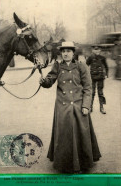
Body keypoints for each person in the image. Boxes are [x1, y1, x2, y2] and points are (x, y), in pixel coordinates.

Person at [39, 41, 101, 173]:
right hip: (62, 106)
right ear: (61, 53)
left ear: (73, 53)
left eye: (68, 51)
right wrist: (44, 81)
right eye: (63, 51)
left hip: (79, 105)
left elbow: (88, 87)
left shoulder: (81, 66)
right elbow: (50, 80)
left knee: (81, 133)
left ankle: (83, 163)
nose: (65, 53)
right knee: (64, 134)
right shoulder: (57, 66)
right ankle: (64, 163)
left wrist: (86, 105)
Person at [86, 45, 109, 114]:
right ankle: (90, 107)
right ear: (93, 50)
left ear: (100, 50)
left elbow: (106, 66)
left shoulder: (103, 58)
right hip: (92, 77)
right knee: (92, 92)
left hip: (100, 77)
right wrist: (86, 74)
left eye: (98, 49)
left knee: (100, 93)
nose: (97, 51)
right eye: (95, 50)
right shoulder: (90, 57)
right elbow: (86, 66)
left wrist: (106, 74)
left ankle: (101, 108)